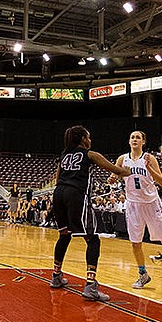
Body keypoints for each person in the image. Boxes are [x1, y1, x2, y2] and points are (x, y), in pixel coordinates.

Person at [49, 125, 130, 301]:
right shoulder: (90, 154)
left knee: (64, 235)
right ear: (83, 139)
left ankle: (56, 276)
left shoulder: (63, 156)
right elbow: (117, 170)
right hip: (75, 196)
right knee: (93, 239)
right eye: (89, 137)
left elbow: (57, 180)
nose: (91, 140)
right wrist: (129, 170)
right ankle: (91, 285)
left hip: (58, 194)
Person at [112, 130, 162, 291]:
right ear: (129, 141)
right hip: (133, 204)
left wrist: (149, 168)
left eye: (138, 137)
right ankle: (143, 274)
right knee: (135, 244)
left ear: (143, 142)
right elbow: (115, 175)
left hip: (151, 203)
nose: (135, 139)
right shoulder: (123, 159)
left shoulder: (149, 158)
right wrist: (113, 177)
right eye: (132, 137)